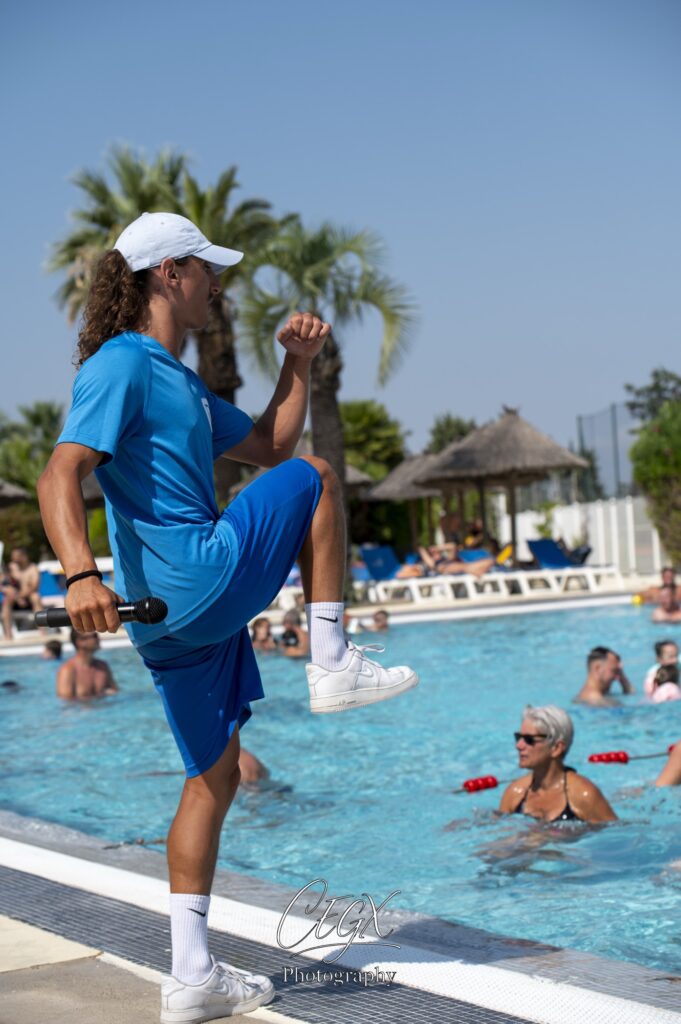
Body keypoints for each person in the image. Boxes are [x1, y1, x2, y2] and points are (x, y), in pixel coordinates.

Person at [36, 211, 418, 1021]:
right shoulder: (121, 364)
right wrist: (78, 575)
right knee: (320, 477)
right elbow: (60, 473)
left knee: (211, 780)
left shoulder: (177, 382)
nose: (218, 284)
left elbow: (270, 443)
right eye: (207, 269)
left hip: (163, 618)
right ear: (169, 272)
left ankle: (192, 977)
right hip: (198, 575)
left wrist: (296, 363)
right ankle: (330, 658)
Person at [499, 705, 617, 823]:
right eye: (518, 737)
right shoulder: (514, 793)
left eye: (529, 739)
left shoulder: (583, 795)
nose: (518, 746)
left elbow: (614, 832)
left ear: (556, 748)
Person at [56, 629, 119, 700]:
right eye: (94, 636)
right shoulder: (68, 670)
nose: (98, 639)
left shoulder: (103, 666)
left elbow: (116, 692)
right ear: (80, 642)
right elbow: (66, 702)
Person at [1, 546, 44, 640]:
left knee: (35, 597)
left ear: (23, 556)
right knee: (7, 600)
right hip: (15, 599)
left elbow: (34, 587)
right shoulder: (11, 568)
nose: (13, 558)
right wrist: (16, 597)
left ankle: (43, 632)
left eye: (15, 556)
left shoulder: (32, 568)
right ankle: (8, 635)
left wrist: (20, 596)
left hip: (29, 599)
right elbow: (3, 584)